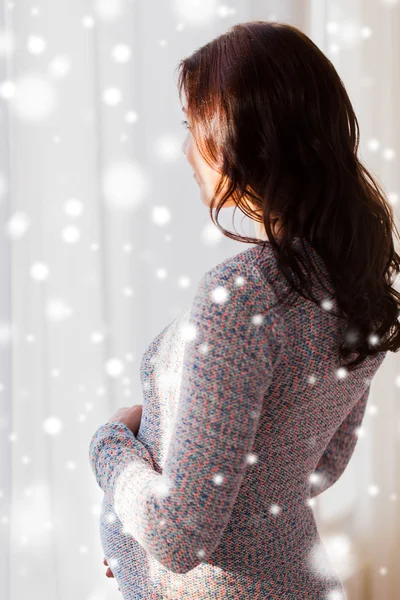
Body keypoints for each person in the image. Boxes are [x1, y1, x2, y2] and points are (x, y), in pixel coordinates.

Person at [89, 20, 400, 599]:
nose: (186, 151)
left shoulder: (241, 298)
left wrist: (108, 443)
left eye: (193, 127)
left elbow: (180, 536)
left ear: (240, 139)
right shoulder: (356, 280)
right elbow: (319, 465)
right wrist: (133, 544)